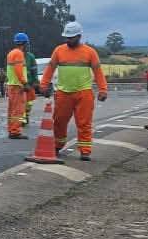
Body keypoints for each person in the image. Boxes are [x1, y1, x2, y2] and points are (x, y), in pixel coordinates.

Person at [40, 21, 109, 162]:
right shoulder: (59, 51)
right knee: (59, 122)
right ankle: (57, 146)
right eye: (67, 37)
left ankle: (85, 151)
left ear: (79, 36)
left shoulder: (90, 52)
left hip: (84, 93)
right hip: (63, 93)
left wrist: (103, 89)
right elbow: (50, 68)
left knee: (84, 123)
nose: (69, 40)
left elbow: (98, 72)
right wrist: (44, 84)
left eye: (71, 38)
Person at [5, 32, 30, 139]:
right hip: (17, 86)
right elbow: (18, 70)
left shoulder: (11, 53)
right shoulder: (19, 54)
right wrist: (24, 83)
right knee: (18, 110)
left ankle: (11, 129)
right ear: (24, 43)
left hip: (12, 85)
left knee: (12, 110)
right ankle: (15, 131)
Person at [24, 45, 40, 125]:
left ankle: (26, 114)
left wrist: (35, 81)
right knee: (21, 103)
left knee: (29, 103)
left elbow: (34, 70)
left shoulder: (31, 57)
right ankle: (22, 119)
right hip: (19, 84)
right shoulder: (16, 56)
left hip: (30, 84)